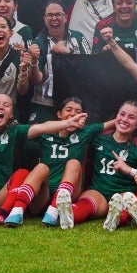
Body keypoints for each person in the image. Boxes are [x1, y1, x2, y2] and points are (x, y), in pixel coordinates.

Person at [0, 55, 85, 227]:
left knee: (21, 173)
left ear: (11, 114)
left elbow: (43, 127)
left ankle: (4, 213)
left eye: (6, 105)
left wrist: (68, 122)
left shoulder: (16, 130)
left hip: (0, 197)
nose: (1, 107)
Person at [63, 101, 137, 231]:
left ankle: (116, 219)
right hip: (98, 191)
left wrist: (130, 170)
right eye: (122, 114)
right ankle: (68, 214)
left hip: (123, 192)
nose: (124, 120)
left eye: (131, 117)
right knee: (86, 202)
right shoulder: (100, 138)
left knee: (124, 201)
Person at [37, 97, 112, 229]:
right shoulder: (46, 131)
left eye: (78, 111)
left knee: (74, 163)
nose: (73, 114)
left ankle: (54, 210)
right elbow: (26, 131)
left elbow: (118, 121)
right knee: (39, 167)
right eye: (68, 110)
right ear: (59, 114)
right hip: (45, 193)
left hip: (71, 194)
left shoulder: (84, 133)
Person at [26, 1, 90, 124]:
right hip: (46, 103)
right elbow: (36, 80)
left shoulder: (79, 38)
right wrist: (33, 61)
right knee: (33, 140)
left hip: (75, 102)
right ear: (44, 19)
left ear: (65, 17)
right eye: (49, 15)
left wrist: (69, 52)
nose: (54, 18)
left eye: (58, 14)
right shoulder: (38, 43)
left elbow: (90, 68)